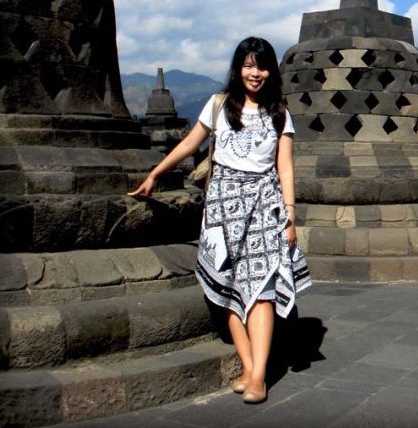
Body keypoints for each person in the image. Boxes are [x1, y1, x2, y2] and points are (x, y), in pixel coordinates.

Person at [129, 36, 311, 405]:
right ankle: (247, 366)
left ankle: (259, 375)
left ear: (270, 71)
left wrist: (290, 216)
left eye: (261, 66)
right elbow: (187, 145)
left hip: (264, 205)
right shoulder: (218, 106)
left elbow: (286, 167)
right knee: (227, 288)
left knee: (260, 289)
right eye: (247, 65)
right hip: (222, 205)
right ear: (237, 68)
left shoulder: (280, 113)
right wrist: (155, 174)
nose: (254, 73)